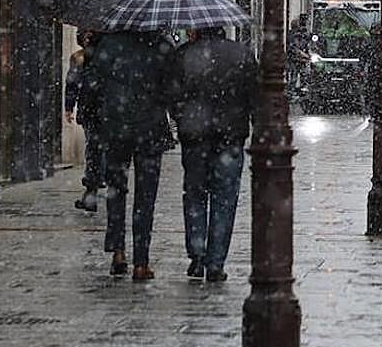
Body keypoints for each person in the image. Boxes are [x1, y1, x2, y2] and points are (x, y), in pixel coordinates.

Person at [171, 26, 258, 282]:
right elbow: (254, 96)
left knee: (195, 194)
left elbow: (172, 96)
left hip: (194, 136)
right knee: (225, 198)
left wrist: (183, 117)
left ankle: (197, 256)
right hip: (230, 137)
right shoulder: (242, 54)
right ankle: (216, 262)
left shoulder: (184, 54)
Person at [88, 31, 175, 280]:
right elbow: (172, 88)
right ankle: (141, 261)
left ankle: (118, 250)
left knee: (116, 190)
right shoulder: (161, 45)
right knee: (145, 197)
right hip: (150, 129)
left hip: (116, 128)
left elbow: (93, 85)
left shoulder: (110, 44)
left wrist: (104, 114)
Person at [64, 30, 103, 211]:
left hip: (91, 109)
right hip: (107, 109)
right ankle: (98, 185)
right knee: (101, 149)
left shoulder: (79, 58)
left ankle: (92, 190)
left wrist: (69, 107)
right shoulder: (109, 55)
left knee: (94, 149)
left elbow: (72, 84)